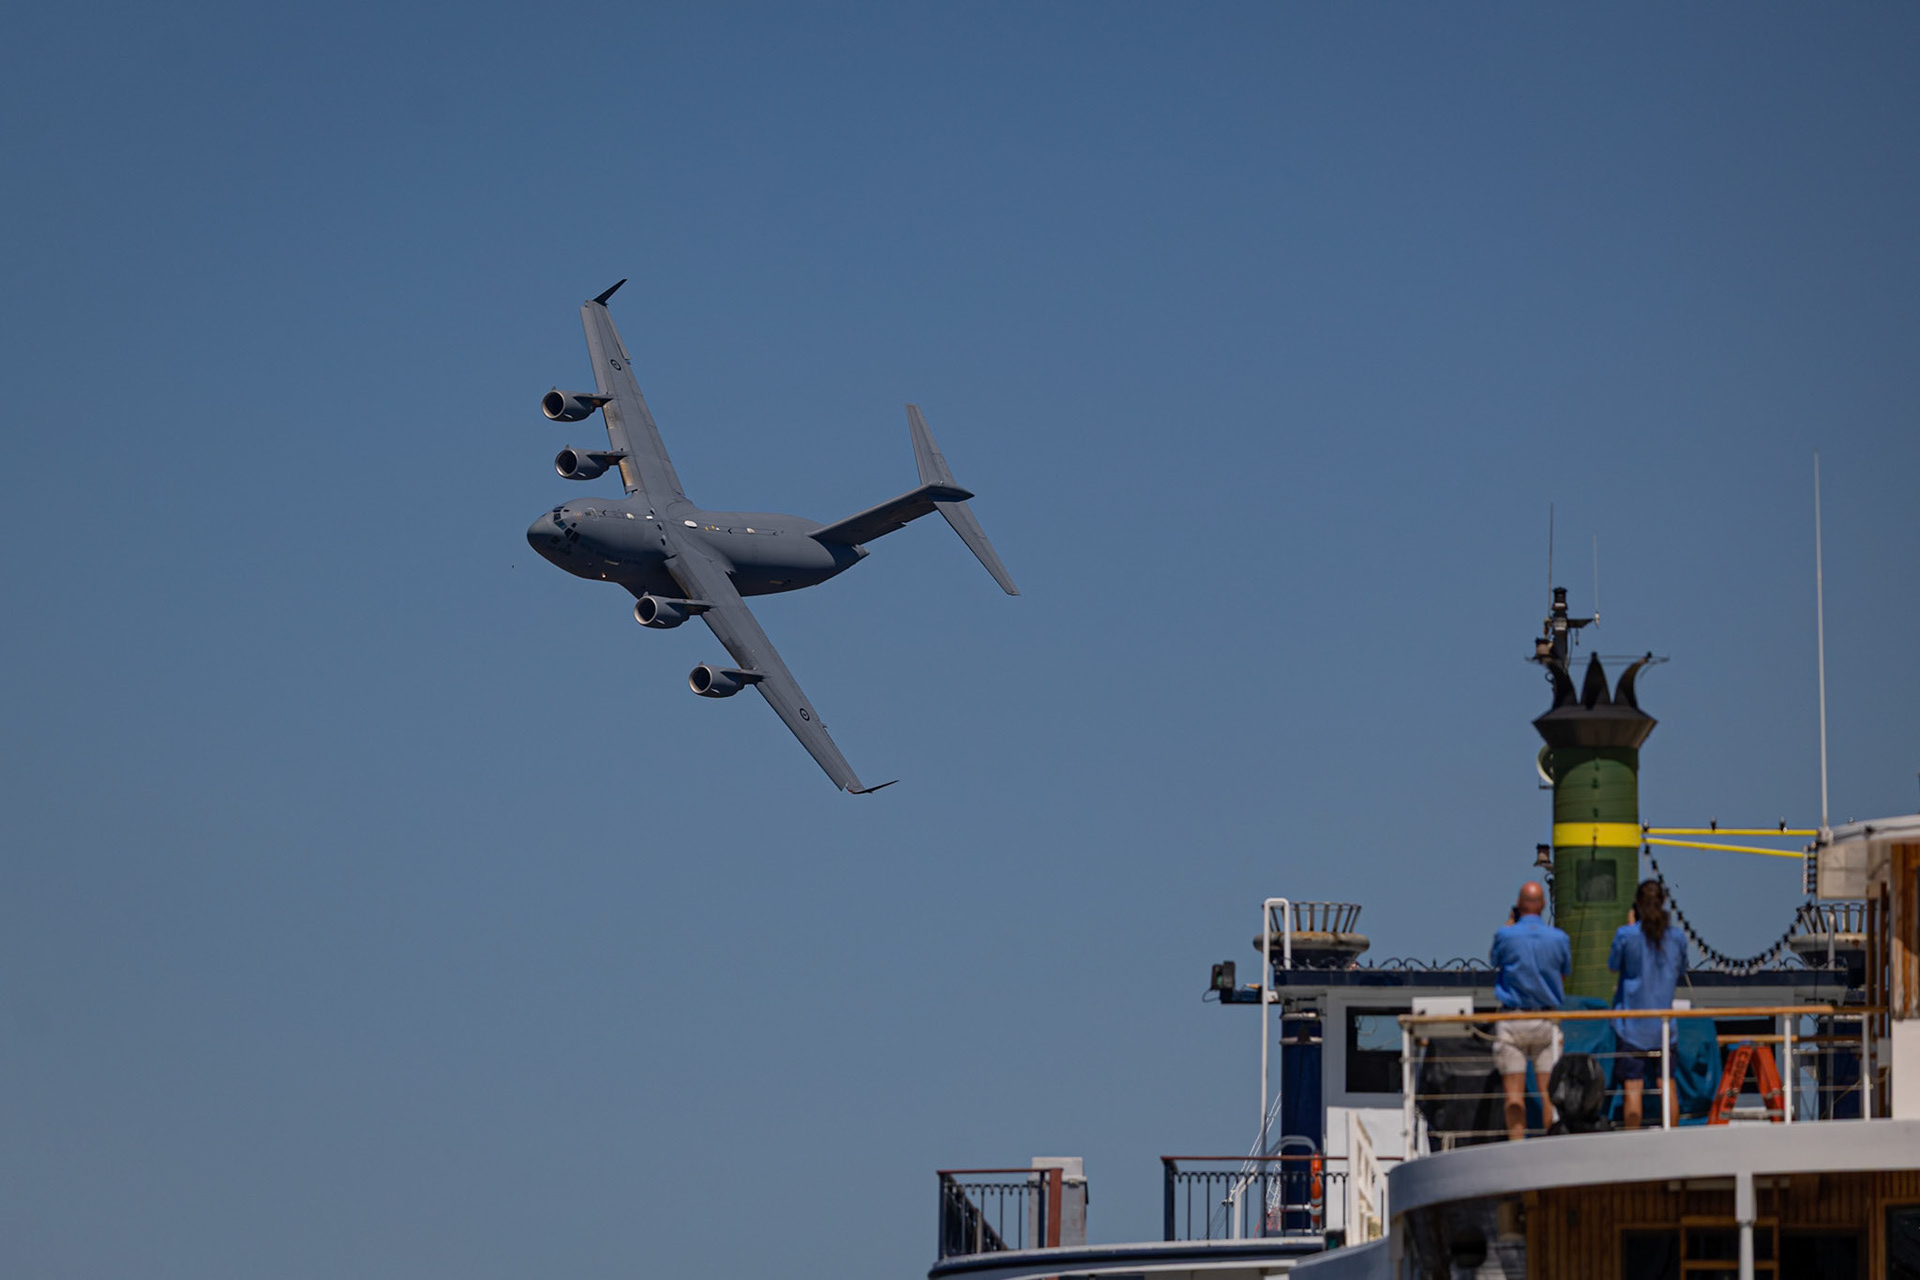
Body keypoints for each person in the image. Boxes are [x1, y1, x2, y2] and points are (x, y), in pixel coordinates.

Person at [1489, 881, 1572, 1140]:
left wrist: (1509, 923)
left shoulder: (1506, 935)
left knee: (1513, 1096)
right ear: (1544, 904)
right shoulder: (1559, 938)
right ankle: (1550, 1143)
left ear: (1519, 904)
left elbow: (1494, 960)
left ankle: (1516, 1144)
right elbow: (1565, 972)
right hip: (1545, 1019)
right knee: (1549, 1094)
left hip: (1513, 1018)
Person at [1610, 879, 1688, 1128]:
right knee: (1667, 1084)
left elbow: (1613, 965)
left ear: (1638, 904)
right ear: (1664, 903)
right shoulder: (1676, 938)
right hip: (1664, 1026)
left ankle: (1633, 1141)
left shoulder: (1626, 935)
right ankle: (1671, 1137)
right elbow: (1681, 969)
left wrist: (1630, 926)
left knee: (1633, 1088)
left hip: (1632, 1025)